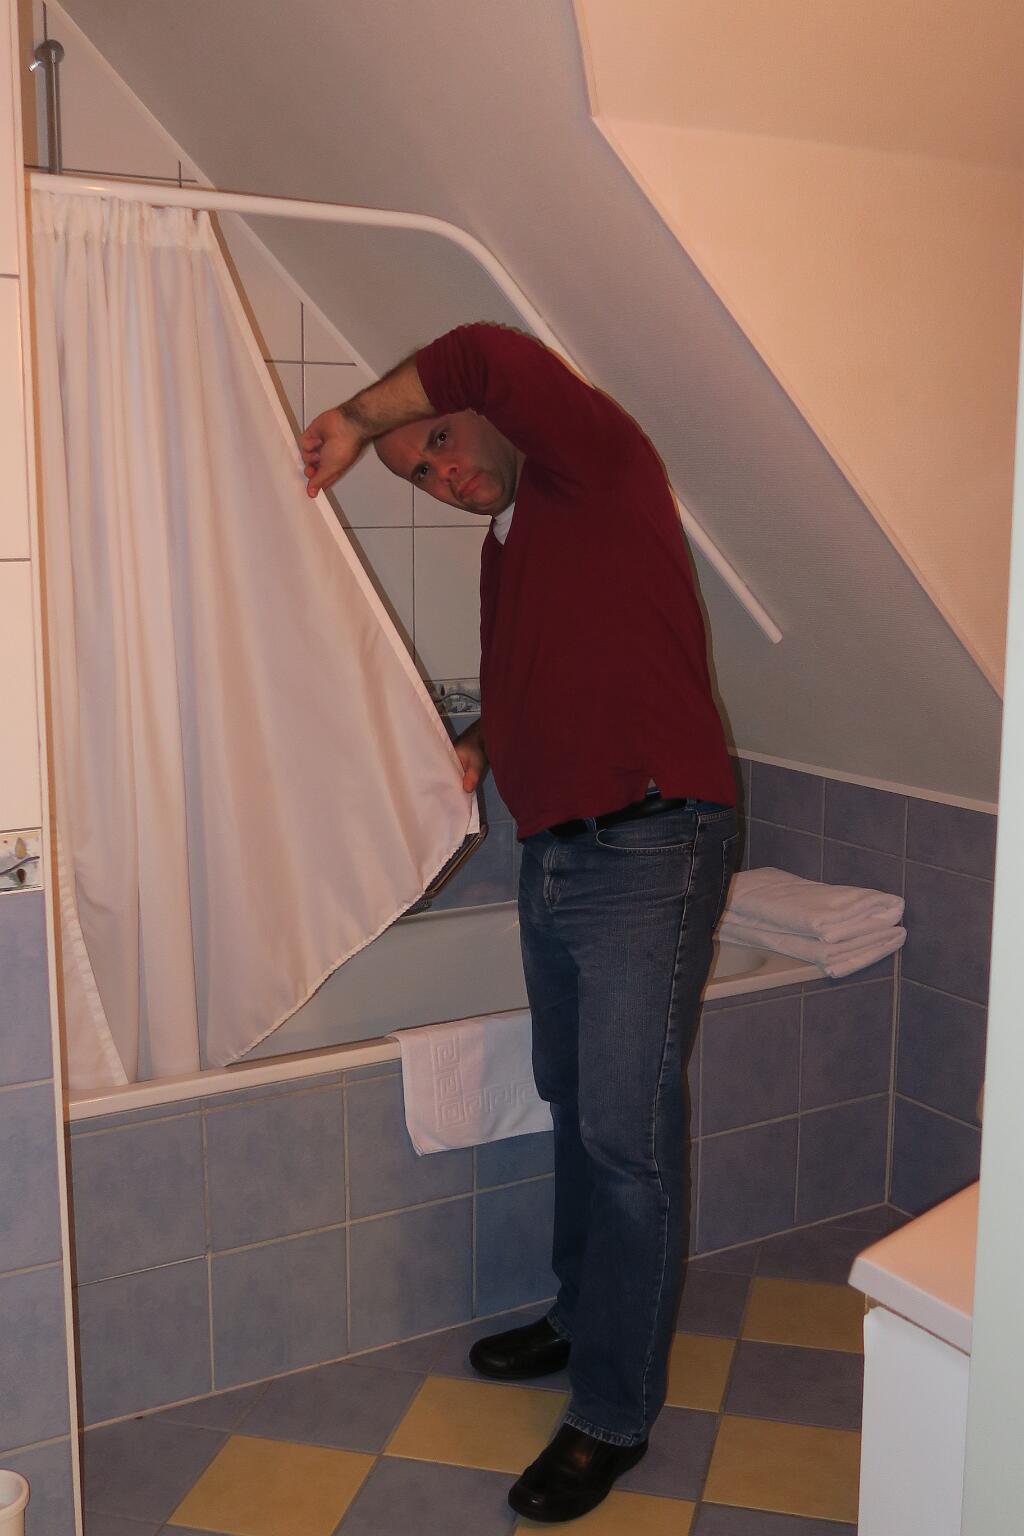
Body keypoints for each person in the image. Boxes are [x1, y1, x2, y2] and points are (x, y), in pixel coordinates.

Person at [300, 323, 738, 1524]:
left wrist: (356, 420)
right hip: (560, 853)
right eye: (421, 475)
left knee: (627, 1141)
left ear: (493, 423)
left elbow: (486, 349)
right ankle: (580, 1314)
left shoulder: (589, 463)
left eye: (441, 442)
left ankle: (612, 1414)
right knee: (575, 1104)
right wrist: (476, 747)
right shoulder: (510, 548)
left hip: (651, 839)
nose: (443, 474)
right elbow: (534, 679)